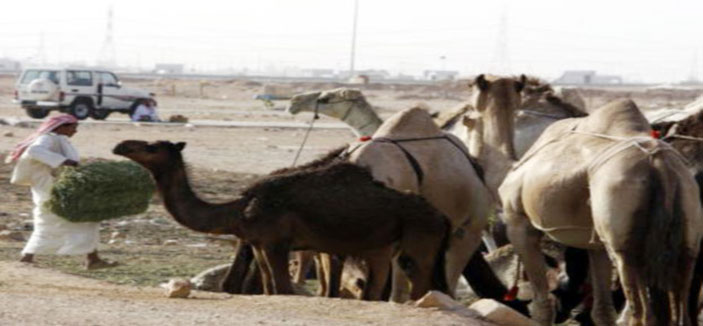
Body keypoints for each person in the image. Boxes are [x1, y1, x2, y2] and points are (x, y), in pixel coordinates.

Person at [5, 114, 117, 270]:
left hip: (57, 189)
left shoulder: (58, 140)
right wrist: (64, 161)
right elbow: (35, 151)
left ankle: (92, 259)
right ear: (61, 127)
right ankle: (27, 258)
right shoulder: (48, 139)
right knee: (57, 222)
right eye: (73, 127)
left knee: (85, 220)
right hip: (51, 190)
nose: (75, 131)